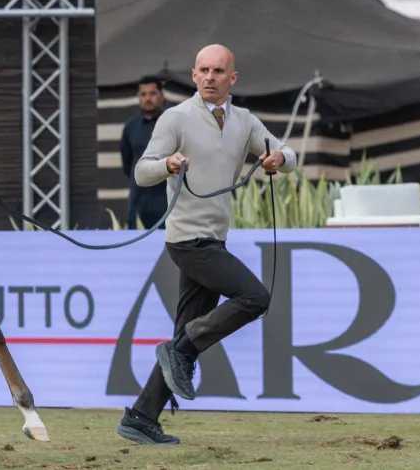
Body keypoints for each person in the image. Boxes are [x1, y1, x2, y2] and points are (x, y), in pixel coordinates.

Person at [115, 44, 296, 446]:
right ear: (194, 76)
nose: (210, 77)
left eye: (218, 71)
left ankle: (142, 417)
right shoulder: (175, 118)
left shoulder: (245, 121)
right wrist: (169, 164)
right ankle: (180, 349)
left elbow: (289, 151)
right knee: (255, 298)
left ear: (232, 78)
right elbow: (142, 172)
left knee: (186, 333)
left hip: (214, 237)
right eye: (203, 70)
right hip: (187, 240)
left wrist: (278, 160)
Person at [119, 76, 168, 229]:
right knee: (137, 244)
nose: (148, 98)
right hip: (139, 197)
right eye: (143, 94)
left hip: (166, 195)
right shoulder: (131, 126)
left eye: (152, 94)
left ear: (161, 95)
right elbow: (127, 161)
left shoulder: (172, 123)